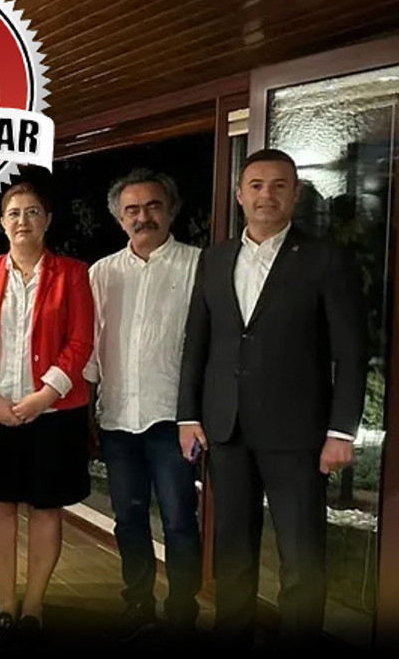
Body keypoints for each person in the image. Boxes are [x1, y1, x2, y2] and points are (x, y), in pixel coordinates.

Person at [177, 148, 367, 648]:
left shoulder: (325, 258)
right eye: (257, 185)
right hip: (227, 430)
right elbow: (197, 343)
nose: (267, 195)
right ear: (240, 194)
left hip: (299, 435)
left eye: (279, 185)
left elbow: (351, 352)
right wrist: (187, 416)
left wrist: (341, 431)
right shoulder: (215, 258)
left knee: (301, 558)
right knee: (232, 553)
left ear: (295, 194)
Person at [0, 181, 94, 646]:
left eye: (33, 212)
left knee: (45, 508)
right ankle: (5, 603)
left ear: (47, 220)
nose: (23, 221)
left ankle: (33, 604)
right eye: (14, 213)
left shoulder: (73, 273)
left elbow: (80, 341)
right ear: (2, 222)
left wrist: (43, 396)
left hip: (54, 414)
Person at [86, 169, 202, 641]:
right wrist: (85, 412)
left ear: (171, 210)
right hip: (117, 417)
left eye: (153, 206)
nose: (143, 217)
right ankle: (137, 603)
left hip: (174, 419)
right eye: (131, 210)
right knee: (128, 518)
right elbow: (91, 349)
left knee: (179, 520)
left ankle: (183, 610)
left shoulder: (198, 266)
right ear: (119, 219)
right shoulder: (101, 273)